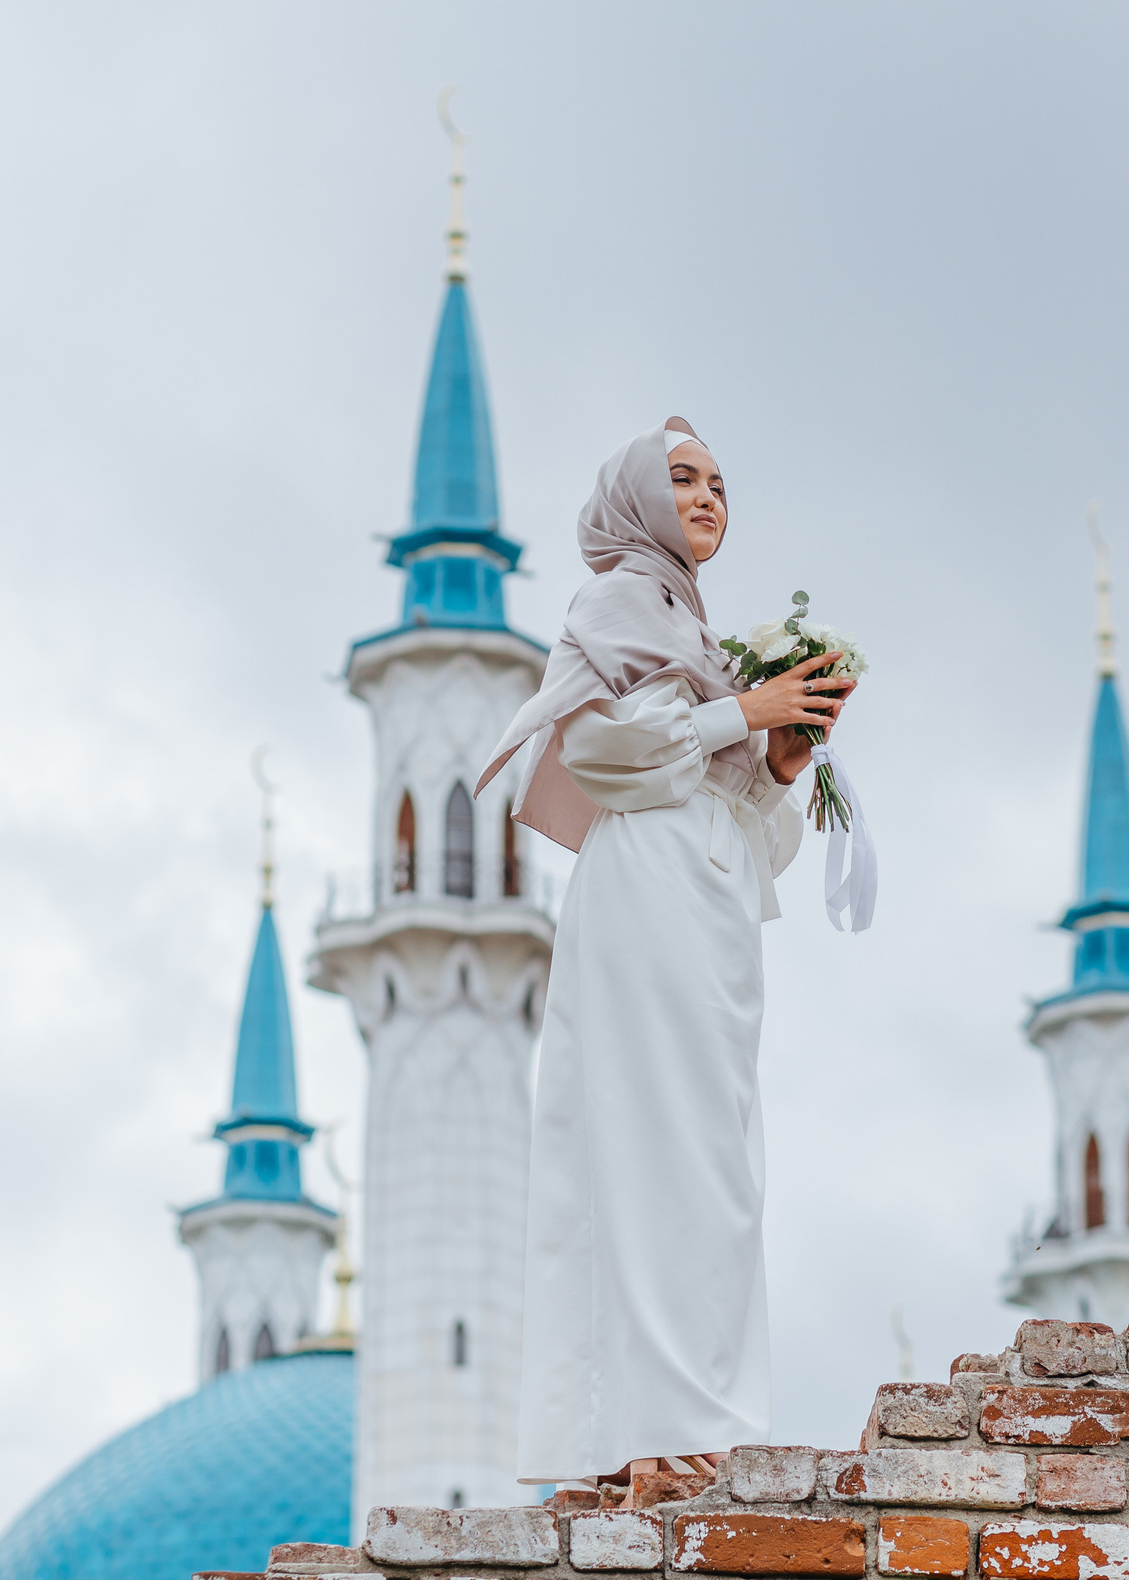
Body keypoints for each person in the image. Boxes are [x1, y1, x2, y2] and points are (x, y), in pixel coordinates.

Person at [477, 418, 857, 1493]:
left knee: (708, 1153)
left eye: (719, 484)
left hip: (710, 903)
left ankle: (630, 1441)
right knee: (659, 1149)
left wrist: (776, 759)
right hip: (646, 890)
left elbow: (730, 809)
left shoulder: (691, 634)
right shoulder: (617, 606)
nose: (704, 498)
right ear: (634, 500)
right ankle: (671, 1436)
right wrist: (743, 709)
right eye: (679, 479)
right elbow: (598, 757)